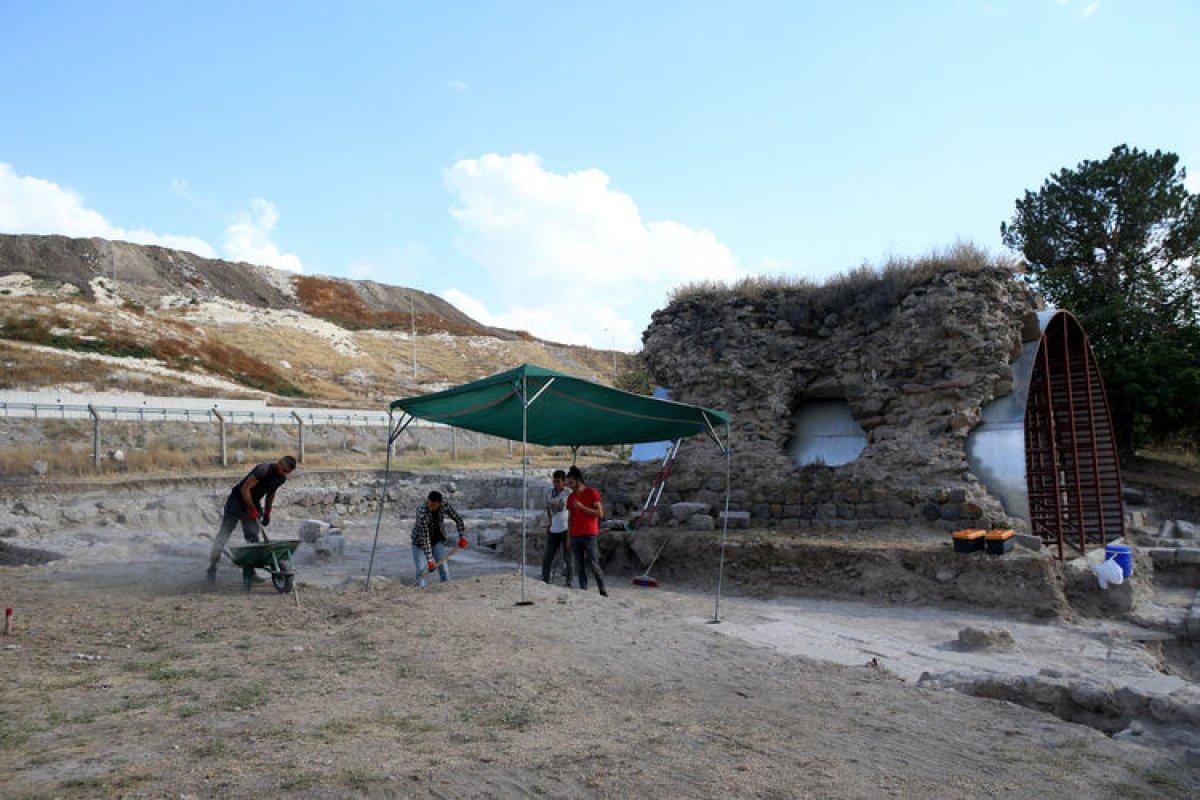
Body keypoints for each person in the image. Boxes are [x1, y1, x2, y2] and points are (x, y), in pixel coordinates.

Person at [206, 455, 296, 582]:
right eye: (284, 470)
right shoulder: (263, 470)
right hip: (236, 501)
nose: (284, 474)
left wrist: (267, 512)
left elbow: (271, 494)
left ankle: (250, 572)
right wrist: (252, 509)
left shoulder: (281, 478)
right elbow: (245, 489)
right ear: (279, 463)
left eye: (288, 472)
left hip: (253, 502)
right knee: (224, 534)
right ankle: (212, 567)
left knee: (253, 538)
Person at [411, 490, 468, 588]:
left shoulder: (444, 505)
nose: (431, 507)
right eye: (430, 504)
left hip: (436, 540)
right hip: (420, 542)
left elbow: (458, 519)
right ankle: (420, 591)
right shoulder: (421, 512)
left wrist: (462, 536)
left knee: (443, 567)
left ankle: (446, 589)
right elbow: (425, 537)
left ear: (439, 504)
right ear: (428, 500)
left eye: (434, 506)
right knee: (421, 570)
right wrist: (430, 560)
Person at [566, 465, 606, 596]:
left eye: (571, 483)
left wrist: (582, 507)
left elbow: (600, 513)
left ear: (578, 480)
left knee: (594, 564)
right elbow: (570, 518)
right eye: (568, 483)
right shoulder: (570, 497)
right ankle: (583, 589)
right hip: (575, 535)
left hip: (590, 534)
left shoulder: (591, 492)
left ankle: (602, 589)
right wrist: (568, 537)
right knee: (580, 565)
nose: (570, 486)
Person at [541, 469, 573, 586]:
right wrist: (549, 523)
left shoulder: (569, 493)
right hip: (553, 529)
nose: (556, 484)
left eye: (558, 481)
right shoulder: (549, 492)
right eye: (554, 481)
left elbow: (572, 513)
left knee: (567, 557)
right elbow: (548, 508)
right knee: (547, 556)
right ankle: (545, 580)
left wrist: (570, 533)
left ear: (564, 481)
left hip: (565, 529)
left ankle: (569, 581)